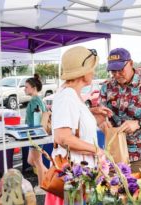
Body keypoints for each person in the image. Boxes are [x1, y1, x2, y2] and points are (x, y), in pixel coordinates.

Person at [45, 46, 104, 204]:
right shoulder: (68, 96)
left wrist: (92, 112)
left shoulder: (70, 93)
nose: (94, 72)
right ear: (83, 72)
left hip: (78, 175)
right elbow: (63, 137)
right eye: (92, 68)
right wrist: (97, 150)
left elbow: (72, 122)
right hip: (75, 175)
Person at [99, 48, 141, 172]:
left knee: (137, 189)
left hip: (140, 153)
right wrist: (102, 122)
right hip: (114, 151)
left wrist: (138, 124)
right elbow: (100, 113)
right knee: (114, 189)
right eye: (113, 71)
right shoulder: (106, 86)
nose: (117, 75)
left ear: (131, 63)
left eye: (120, 70)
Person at [24, 74, 48, 188]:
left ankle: (42, 185)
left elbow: (36, 121)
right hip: (36, 134)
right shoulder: (37, 99)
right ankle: (49, 175)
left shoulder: (35, 101)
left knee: (37, 161)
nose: (25, 89)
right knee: (31, 160)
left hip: (36, 134)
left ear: (33, 88)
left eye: (26, 87)